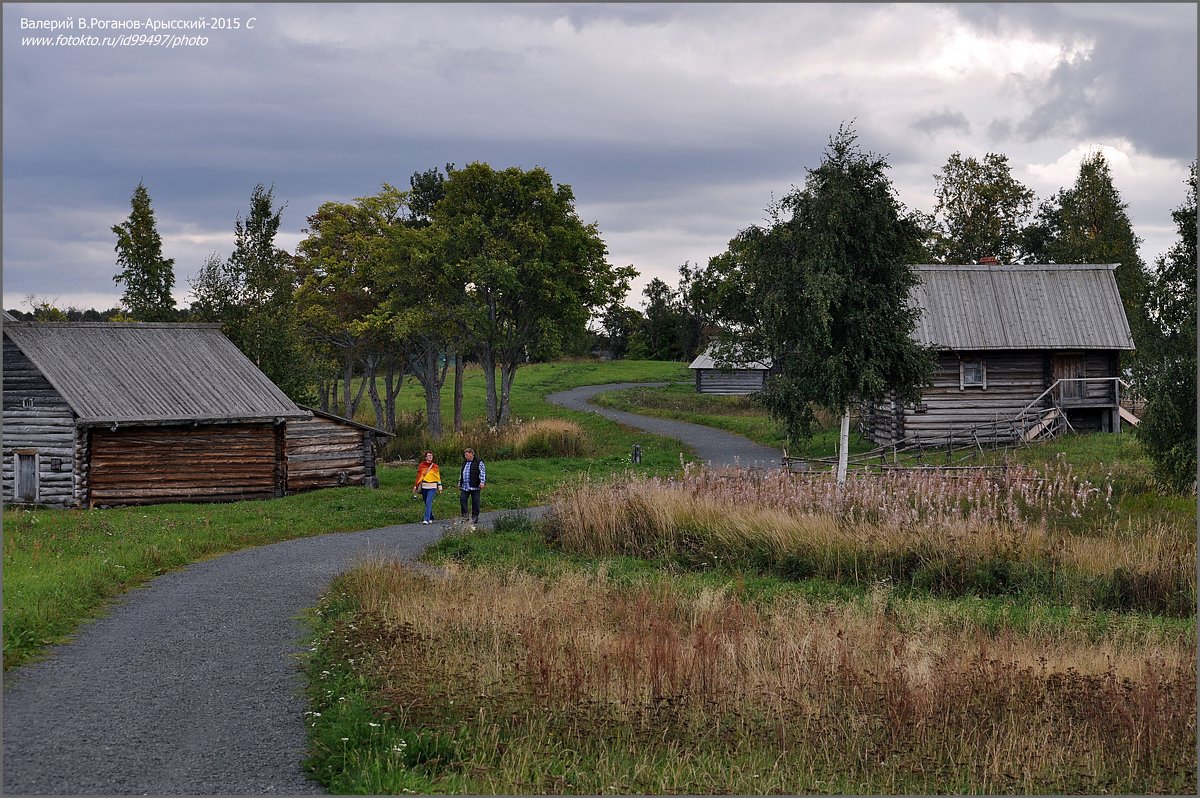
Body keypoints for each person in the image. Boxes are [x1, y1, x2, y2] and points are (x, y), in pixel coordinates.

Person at [457, 447, 487, 526]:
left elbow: (482, 472)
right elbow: (462, 473)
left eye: (467, 455)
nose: (465, 456)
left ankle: (475, 516)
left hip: (475, 486)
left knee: (475, 502)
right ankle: (465, 517)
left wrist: (482, 482)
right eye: (465, 455)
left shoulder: (479, 462)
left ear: (471, 454)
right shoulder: (464, 463)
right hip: (465, 486)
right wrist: (459, 483)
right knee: (462, 499)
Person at [412, 450, 442, 524]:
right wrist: (416, 486)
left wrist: (440, 486)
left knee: (429, 501)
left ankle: (426, 519)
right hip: (424, 486)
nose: (430, 457)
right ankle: (431, 516)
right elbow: (419, 477)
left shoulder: (435, 466)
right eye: (429, 456)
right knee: (426, 502)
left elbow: (437, 477)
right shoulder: (421, 465)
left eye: (431, 455)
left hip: (432, 486)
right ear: (426, 457)